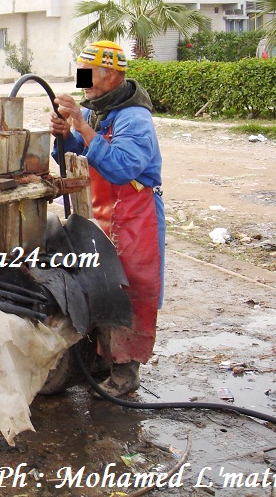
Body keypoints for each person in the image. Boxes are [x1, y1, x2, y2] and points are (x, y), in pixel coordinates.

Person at [50, 40, 165, 398]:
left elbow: (122, 167)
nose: (82, 81)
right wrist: (65, 135)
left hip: (135, 216)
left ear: (112, 74)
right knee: (99, 285)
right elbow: (77, 156)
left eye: (88, 73)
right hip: (101, 211)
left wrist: (82, 128)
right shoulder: (95, 110)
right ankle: (102, 359)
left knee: (131, 289)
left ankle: (126, 371)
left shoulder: (134, 118)